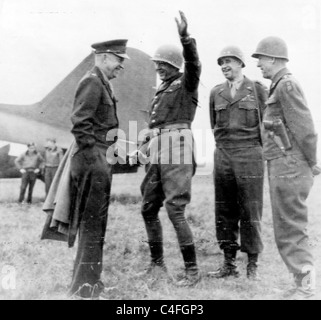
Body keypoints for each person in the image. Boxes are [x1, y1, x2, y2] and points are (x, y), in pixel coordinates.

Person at [134, 11, 202, 287]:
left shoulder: (187, 83)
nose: (158, 67)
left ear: (175, 65)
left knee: (175, 209)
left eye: (163, 64)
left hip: (177, 147)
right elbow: (155, 125)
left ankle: (193, 271)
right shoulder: (161, 90)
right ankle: (157, 264)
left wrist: (185, 38)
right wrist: (145, 143)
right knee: (148, 208)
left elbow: (194, 63)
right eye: (156, 64)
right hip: (158, 148)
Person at [252, 36, 319, 299]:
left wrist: (311, 163)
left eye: (261, 60)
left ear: (273, 58)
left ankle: (307, 288)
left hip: (290, 166)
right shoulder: (278, 86)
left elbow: (306, 130)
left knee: (292, 228)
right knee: (285, 229)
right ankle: (301, 282)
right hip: (282, 165)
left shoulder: (287, 85)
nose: (259, 65)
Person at [67, 39, 130, 299]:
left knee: (96, 225)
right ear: (104, 57)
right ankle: (84, 288)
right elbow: (80, 124)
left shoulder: (101, 82)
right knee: (92, 226)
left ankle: (92, 283)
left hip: (100, 159)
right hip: (94, 161)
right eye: (118, 60)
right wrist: (97, 161)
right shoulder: (92, 82)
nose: (120, 67)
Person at [208, 46, 267, 280]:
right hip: (223, 154)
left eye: (229, 61)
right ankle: (228, 264)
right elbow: (214, 125)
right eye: (221, 62)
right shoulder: (216, 92)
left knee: (251, 210)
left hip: (250, 154)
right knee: (224, 209)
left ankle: (252, 266)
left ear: (241, 64)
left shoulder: (257, 89)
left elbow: (266, 122)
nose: (225, 65)